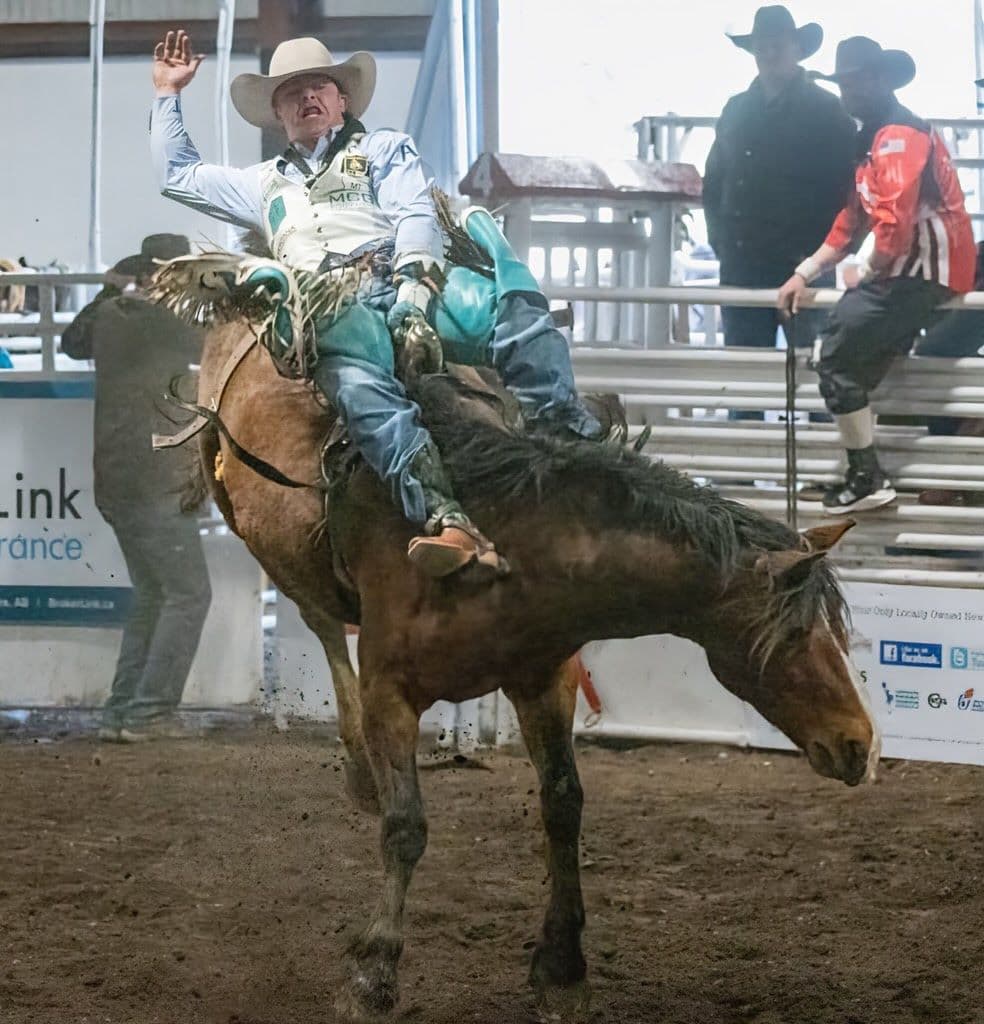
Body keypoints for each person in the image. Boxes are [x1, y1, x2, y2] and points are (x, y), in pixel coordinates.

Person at [149, 30, 602, 581]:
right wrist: (167, 95)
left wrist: (413, 294)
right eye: (291, 91)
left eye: (318, 84)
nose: (307, 96)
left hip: (402, 274)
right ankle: (446, 518)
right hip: (330, 305)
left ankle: (574, 449)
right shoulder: (261, 185)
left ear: (341, 99)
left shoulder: (382, 148)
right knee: (363, 394)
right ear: (278, 113)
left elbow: (415, 213)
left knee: (518, 312)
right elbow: (178, 176)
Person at [778, 37, 976, 514]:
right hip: (916, 266)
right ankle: (871, 469)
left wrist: (861, 271)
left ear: (882, 80)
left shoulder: (897, 135)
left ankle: (866, 474)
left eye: (858, 79)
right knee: (848, 357)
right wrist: (806, 271)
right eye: (845, 82)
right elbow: (854, 218)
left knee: (836, 354)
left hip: (923, 268)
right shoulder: (875, 137)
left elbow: (893, 220)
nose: (850, 90)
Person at [61, 235, 212, 741]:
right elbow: (213, 342)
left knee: (153, 592)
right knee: (188, 593)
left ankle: (122, 711)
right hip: (156, 479)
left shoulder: (110, 316)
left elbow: (70, 342)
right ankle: (149, 712)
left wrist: (109, 290)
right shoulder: (164, 321)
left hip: (116, 480)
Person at [703, 6, 855, 358]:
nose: (769, 54)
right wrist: (723, 242)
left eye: (777, 45)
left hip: (803, 262)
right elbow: (714, 183)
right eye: (763, 46)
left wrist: (820, 257)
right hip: (747, 262)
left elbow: (845, 190)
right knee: (746, 374)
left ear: (796, 48)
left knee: (815, 371)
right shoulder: (736, 109)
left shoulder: (828, 111)